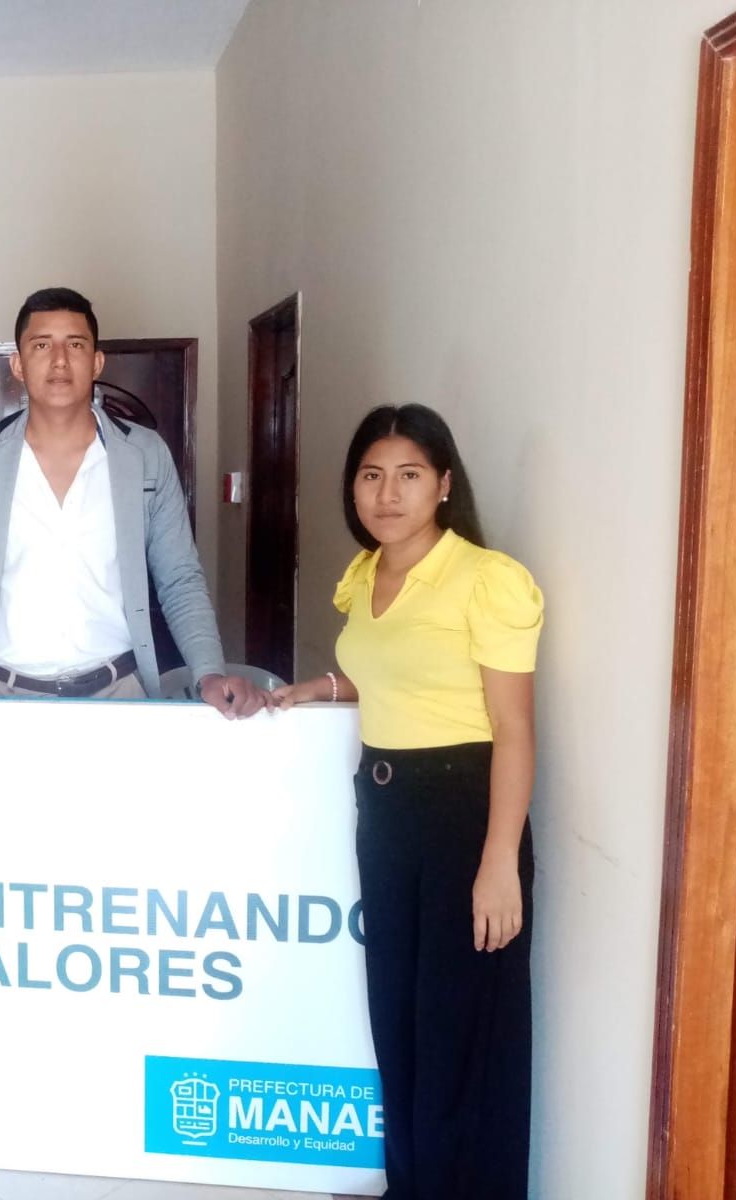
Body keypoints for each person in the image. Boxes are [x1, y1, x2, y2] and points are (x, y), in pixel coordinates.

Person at [270, 404, 542, 1199]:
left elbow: (514, 728)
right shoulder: (368, 575)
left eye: (409, 475)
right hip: (387, 816)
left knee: (457, 1035)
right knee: (399, 1023)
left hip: (465, 816)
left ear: (444, 484)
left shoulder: (486, 580)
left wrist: (499, 862)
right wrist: (318, 689)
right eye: (371, 476)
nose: (387, 494)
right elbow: (387, 674)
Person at [0, 287, 264, 716]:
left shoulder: (144, 454)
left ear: (97, 362)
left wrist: (209, 673)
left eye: (76, 344)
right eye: (41, 345)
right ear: (18, 364)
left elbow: (179, 578)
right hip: (3, 695)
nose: (60, 360)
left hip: (120, 693)